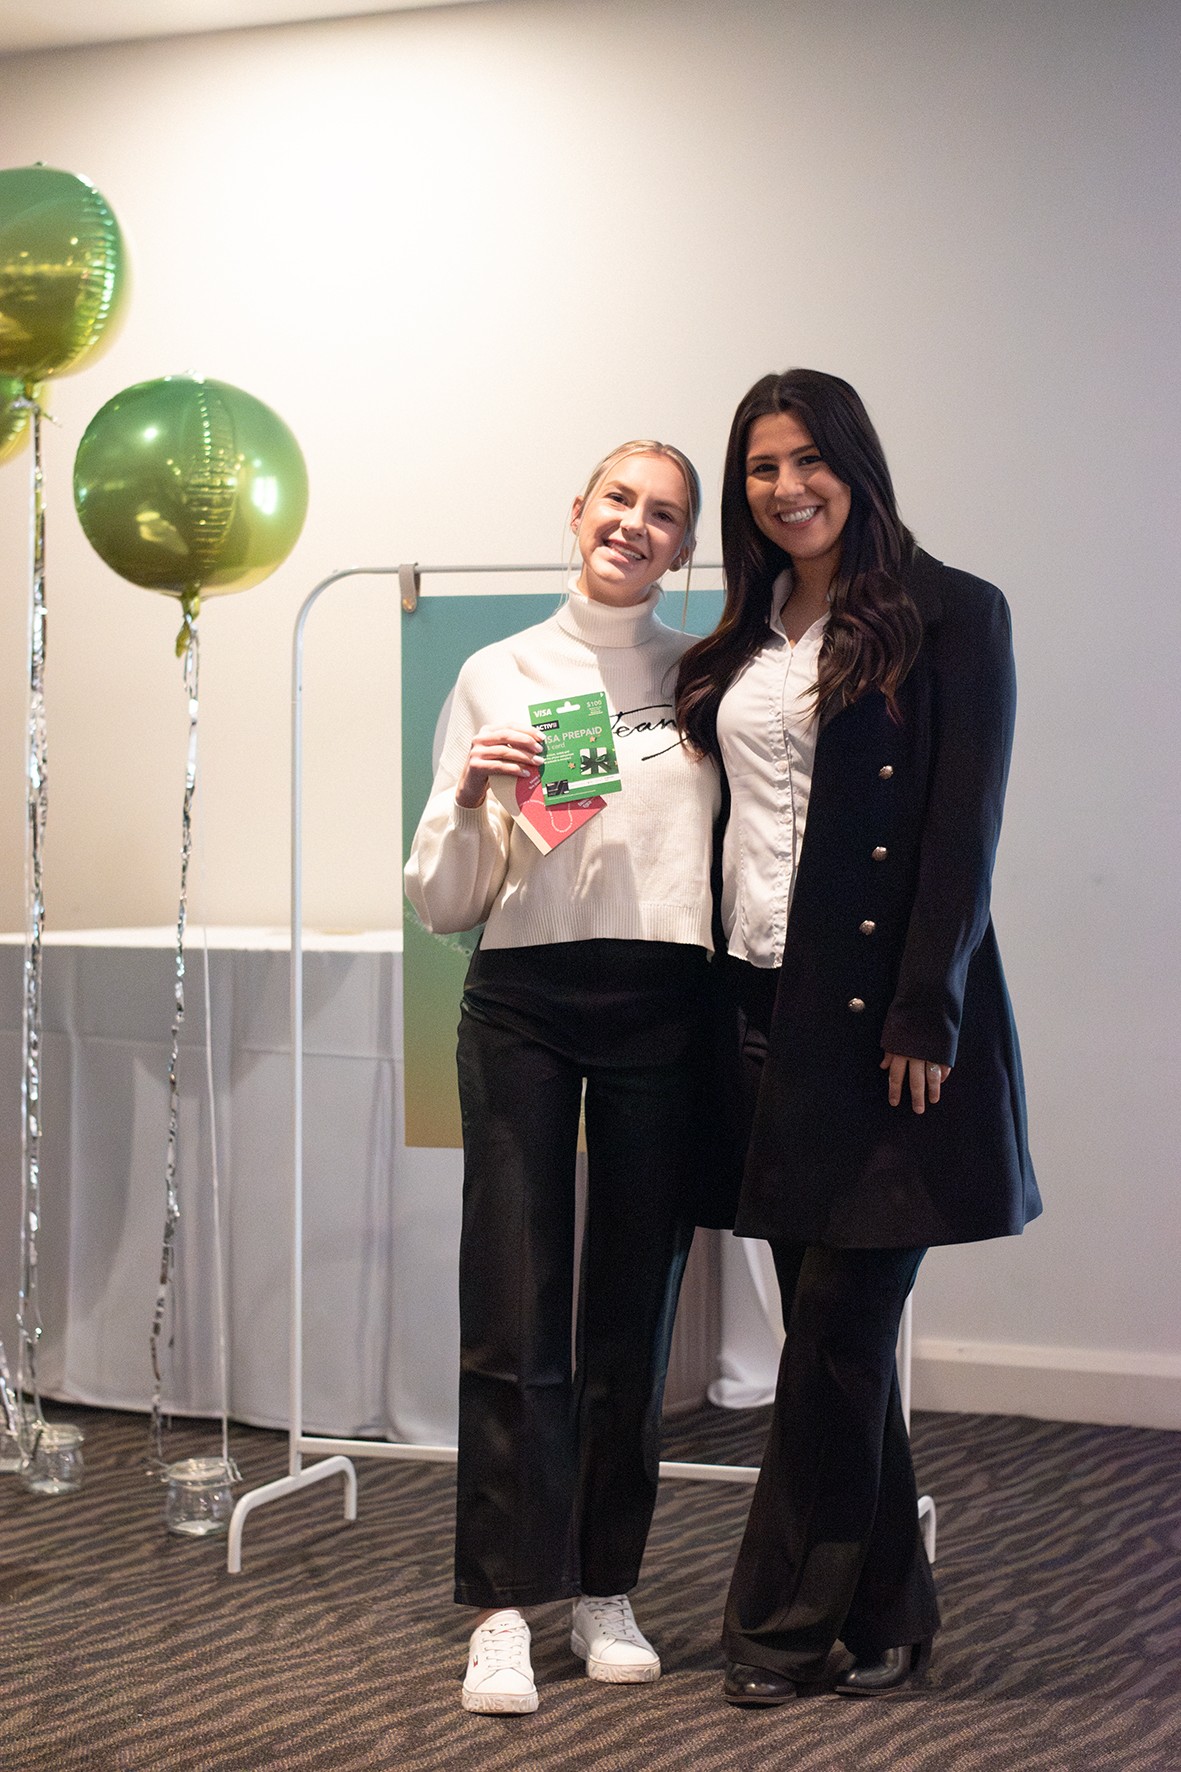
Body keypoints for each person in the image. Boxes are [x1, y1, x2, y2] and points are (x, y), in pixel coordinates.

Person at [675, 369, 1041, 1704]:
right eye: (761, 467)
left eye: (808, 460)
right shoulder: (738, 635)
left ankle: (776, 1629)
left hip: (886, 1030)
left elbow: (962, 829)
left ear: (854, 463)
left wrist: (924, 1004)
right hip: (756, 1018)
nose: (787, 487)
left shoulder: (951, 613)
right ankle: (890, 1612)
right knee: (833, 1339)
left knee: (834, 1326)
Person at [405, 440, 720, 1715]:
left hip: (665, 1001)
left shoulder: (706, 676)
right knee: (512, 1302)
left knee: (632, 1310)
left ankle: (604, 1585)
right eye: (618, 501)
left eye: (664, 514)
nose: (634, 525)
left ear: (685, 546)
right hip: (524, 1000)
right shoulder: (498, 669)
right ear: (577, 513)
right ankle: (500, 1603)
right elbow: (444, 900)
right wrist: (467, 797)